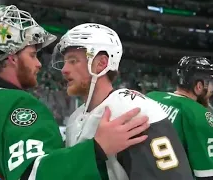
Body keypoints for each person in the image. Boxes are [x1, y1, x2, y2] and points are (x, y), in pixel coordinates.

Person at [0, 5, 151, 180]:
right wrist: (97, 148)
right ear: (12, 58)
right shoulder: (21, 107)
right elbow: (30, 175)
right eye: (33, 55)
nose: (38, 64)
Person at [51, 23, 194, 180]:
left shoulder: (133, 110)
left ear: (101, 64)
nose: (64, 69)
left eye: (73, 61)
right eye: (65, 61)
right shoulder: (75, 119)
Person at [147, 56, 213, 179]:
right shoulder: (199, 114)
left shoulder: (151, 97)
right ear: (199, 86)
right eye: (210, 83)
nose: (211, 89)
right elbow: (207, 174)